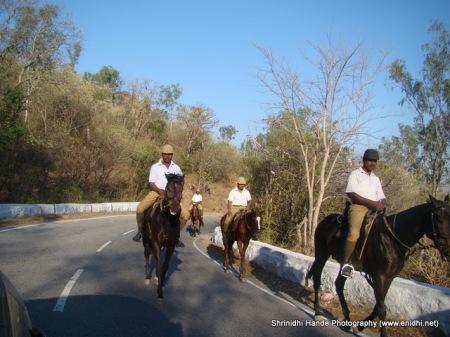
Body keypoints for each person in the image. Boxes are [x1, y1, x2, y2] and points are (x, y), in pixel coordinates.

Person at [341, 149, 387, 278]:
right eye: (370, 160)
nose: (373, 163)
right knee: (354, 233)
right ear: (364, 160)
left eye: (375, 161)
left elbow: (381, 196)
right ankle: (346, 264)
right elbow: (351, 194)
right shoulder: (355, 174)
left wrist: (382, 203)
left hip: (374, 210)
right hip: (358, 207)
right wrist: (372, 203)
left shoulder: (376, 179)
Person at [132, 144, 189, 247]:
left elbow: (181, 181)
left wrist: (177, 192)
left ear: (172, 155)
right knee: (140, 209)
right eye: (166, 154)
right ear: (162, 154)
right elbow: (152, 183)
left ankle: (176, 235)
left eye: (170, 155)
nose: (167, 156)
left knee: (185, 215)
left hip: (172, 195)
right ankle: (140, 230)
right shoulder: (155, 167)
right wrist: (160, 191)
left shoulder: (176, 168)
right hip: (157, 192)